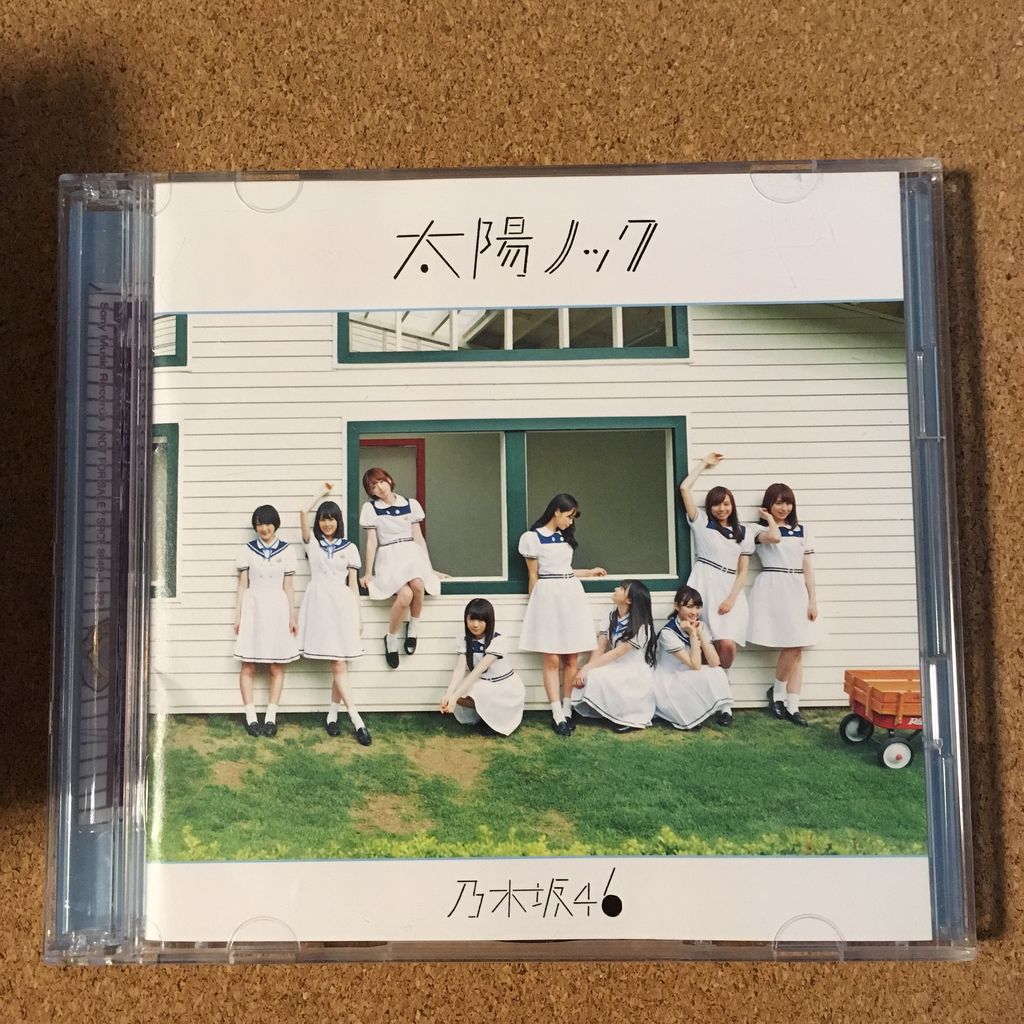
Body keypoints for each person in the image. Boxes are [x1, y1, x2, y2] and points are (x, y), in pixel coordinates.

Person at [518, 493, 607, 736]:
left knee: (571, 657)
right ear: (556, 511)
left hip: (571, 595)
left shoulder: (564, 537)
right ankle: (556, 712)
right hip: (548, 598)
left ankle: (567, 708)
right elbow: (534, 575)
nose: (570, 521)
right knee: (552, 659)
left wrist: (588, 572)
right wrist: (535, 607)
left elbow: (565, 570)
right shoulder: (532, 538)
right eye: (569, 516)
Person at [298, 484, 370, 745]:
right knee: (338, 663)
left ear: (339, 521)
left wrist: (358, 616)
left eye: (331, 519)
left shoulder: (349, 548)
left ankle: (334, 716)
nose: (327, 523)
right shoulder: (313, 544)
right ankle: (356, 720)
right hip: (319, 606)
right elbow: (302, 511)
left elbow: (353, 585)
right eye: (323, 519)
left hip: (342, 606)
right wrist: (321, 492)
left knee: (339, 663)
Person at [747, 482, 819, 727]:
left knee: (798, 647)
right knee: (793, 645)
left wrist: (813, 600)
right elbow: (775, 538)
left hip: (796, 587)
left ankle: (793, 704)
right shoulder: (757, 529)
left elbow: (808, 567)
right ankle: (778, 694)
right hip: (774, 587)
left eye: (788, 503)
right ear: (768, 505)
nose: (784, 508)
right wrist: (769, 519)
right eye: (778, 503)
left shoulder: (802, 530)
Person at [358, 467, 443, 669]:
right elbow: (371, 541)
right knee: (405, 596)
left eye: (381, 481)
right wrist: (368, 572)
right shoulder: (371, 508)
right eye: (373, 486)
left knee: (418, 585)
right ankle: (391, 638)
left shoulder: (410, 504)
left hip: (411, 555)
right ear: (370, 491)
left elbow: (418, 538)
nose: (379, 487)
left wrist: (429, 569)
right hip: (389, 557)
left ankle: (413, 627)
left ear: (388, 479)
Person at [678, 451, 754, 669]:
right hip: (705, 584)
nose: (722, 509)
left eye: (726, 504)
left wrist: (731, 599)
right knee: (703, 640)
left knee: (728, 644)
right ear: (710, 507)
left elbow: (743, 571)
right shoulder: (702, 523)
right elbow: (685, 489)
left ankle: (722, 679)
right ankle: (707, 682)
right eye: (717, 505)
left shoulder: (744, 533)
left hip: (730, 589)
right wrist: (704, 463)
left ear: (732, 505)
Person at [234, 504, 299, 737]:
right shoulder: (248, 550)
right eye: (260, 524)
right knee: (248, 664)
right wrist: (238, 615)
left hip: (278, 609)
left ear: (276, 524)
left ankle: (271, 717)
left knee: (275, 665)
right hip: (253, 608)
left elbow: (288, 586)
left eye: (268, 523)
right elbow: (243, 585)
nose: (264, 528)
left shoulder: (287, 551)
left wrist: (292, 616)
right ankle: (251, 717)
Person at [571, 580, 657, 732]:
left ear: (629, 600)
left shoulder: (642, 626)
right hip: (615, 664)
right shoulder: (611, 617)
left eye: (622, 588)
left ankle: (630, 718)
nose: (616, 589)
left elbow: (618, 652)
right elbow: (600, 647)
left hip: (633, 670)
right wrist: (587, 669)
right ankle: (597, 711)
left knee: (600, 674)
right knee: (592, 674)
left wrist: (585, 668)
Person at [653, 585, 734, 730]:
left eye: (698, 607)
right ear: (676, 606)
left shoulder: (700, 625)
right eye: (689, 607)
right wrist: (692, 634)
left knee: (717, 671)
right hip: (669, 677)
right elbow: (695, 665)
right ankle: (692, 715)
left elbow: (714, 662)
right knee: (695, 676)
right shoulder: (668, 633)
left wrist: (700, 633)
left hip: (687, 672)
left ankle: (725, 710)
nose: (694, 612)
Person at [440, 598, 526, 736]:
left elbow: (477, 671)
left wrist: (454, 697)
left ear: (489, 621)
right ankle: (483, 717)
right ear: (466, 619)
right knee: (458, 692)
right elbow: (460, 668)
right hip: (484, 682)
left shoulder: (498, 640)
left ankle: (496, 721)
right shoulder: (464, 640)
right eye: (472, 619)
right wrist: (449, 694)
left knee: (474, 691)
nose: (475, 624)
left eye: (481, 620)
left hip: (504, 686)